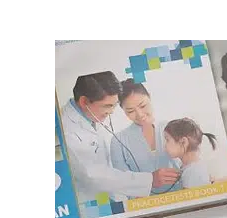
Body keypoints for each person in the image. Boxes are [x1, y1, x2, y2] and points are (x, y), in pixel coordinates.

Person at [60, 71, 180, 203]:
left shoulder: (92, 117)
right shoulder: (65, 130)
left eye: (114, 105)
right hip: (89, 202)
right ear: (84, 102)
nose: (111, 111)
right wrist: (150, 180)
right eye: (107, 106)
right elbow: (92, 175)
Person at [109, 80, 181, 195]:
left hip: (182, 195)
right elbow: (121, 182)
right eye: (130, 111)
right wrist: (149, 180)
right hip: (145, 202)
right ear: (123, 111)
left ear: (149, 97)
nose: (140, 114)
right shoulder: (118, 141)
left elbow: (190, 161)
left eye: (143, 106)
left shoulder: (173, 127)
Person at [163, 118, 217, 189]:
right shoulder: (192, 167)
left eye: (167, 140)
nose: (165, 145)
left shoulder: (192, 173)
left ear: (183, 142)